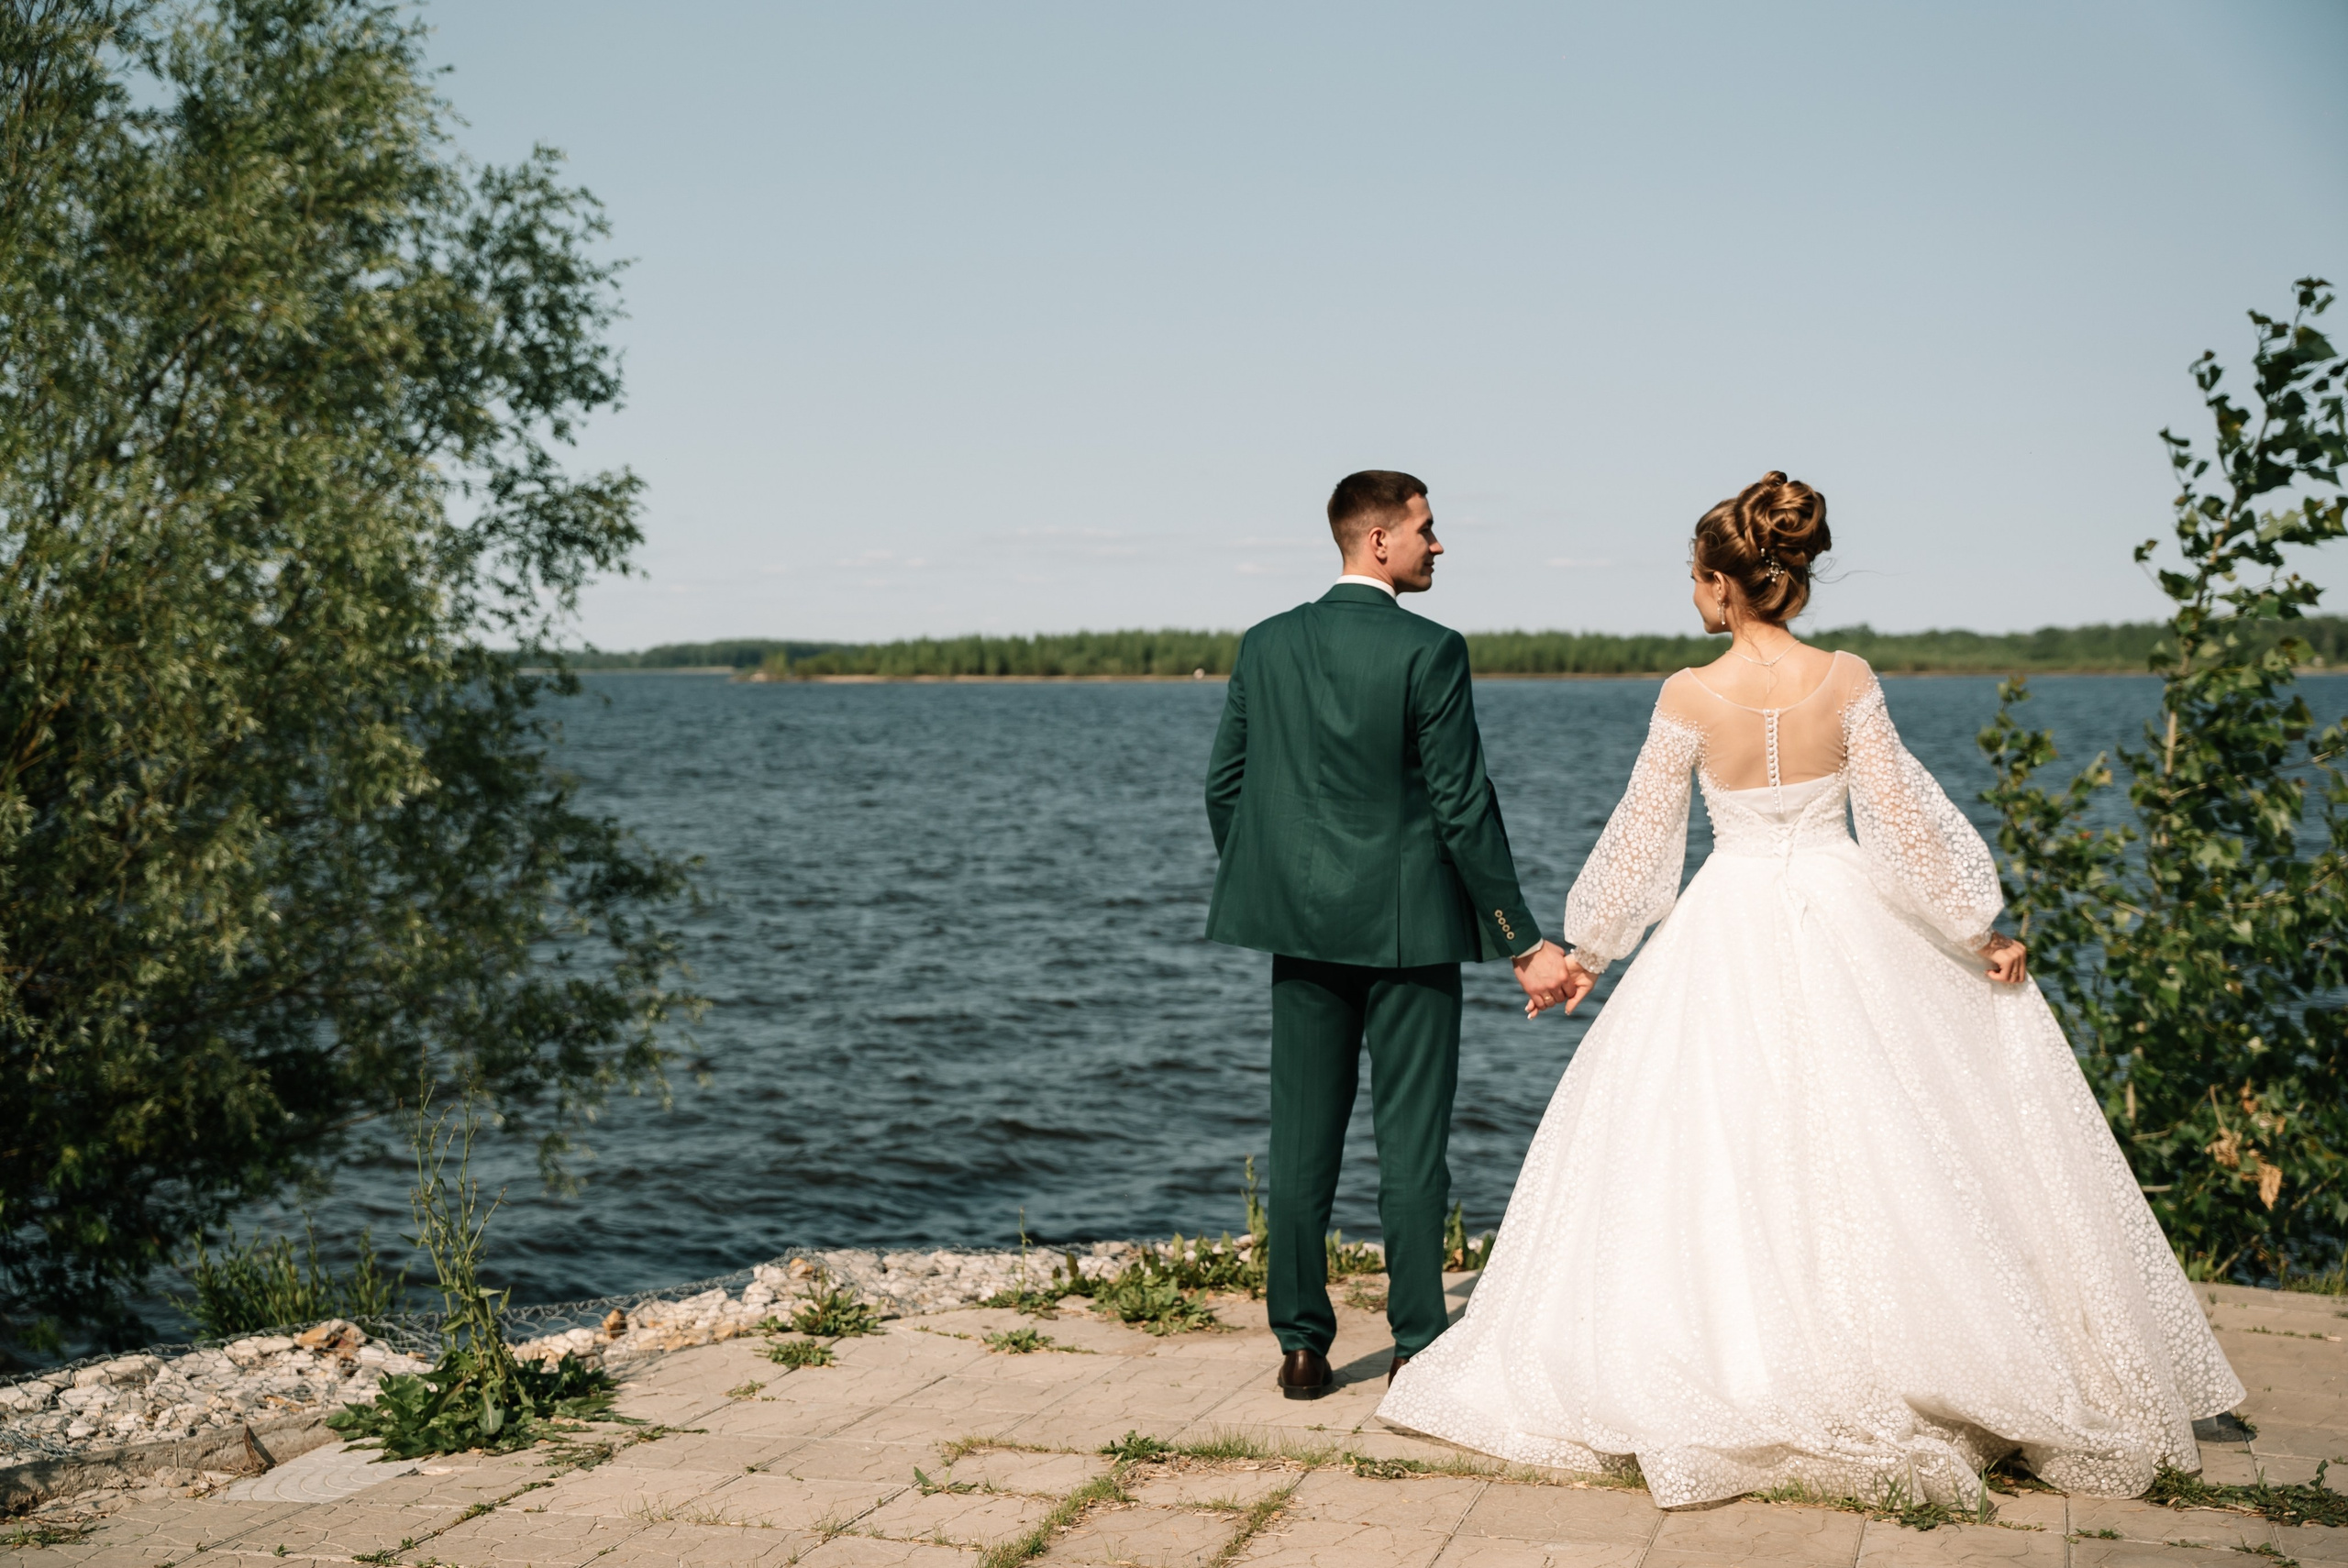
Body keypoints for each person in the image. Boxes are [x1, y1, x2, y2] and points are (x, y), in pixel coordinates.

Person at [1378, 471, 2243, 1507]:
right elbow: (1902, 819)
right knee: (1881, 1132)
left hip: (1726, 917)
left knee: (1724, 1139)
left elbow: (1646, 841)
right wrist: (1978, 930)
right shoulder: (1846, 677)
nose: (1692, 595)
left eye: (1694, 579)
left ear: (1720, 583)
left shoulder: (1688, 697)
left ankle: (1747, 1349)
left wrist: (1587, 954)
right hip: (1848, 909)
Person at [1203, 470, 1582, 1400]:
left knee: (1299, 1147)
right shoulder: (1432, 651)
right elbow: (1462, 808)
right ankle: (1417, 1342)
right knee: (1411, 1147)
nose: (1437, 545)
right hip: (1411, 936)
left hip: (1301, 932)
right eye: (1426, 529)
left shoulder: (1265, 644)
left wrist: (1280, 888)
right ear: (1379, 542)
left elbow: (1226, 789)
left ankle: (1300, 1346)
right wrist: (1519, 938)